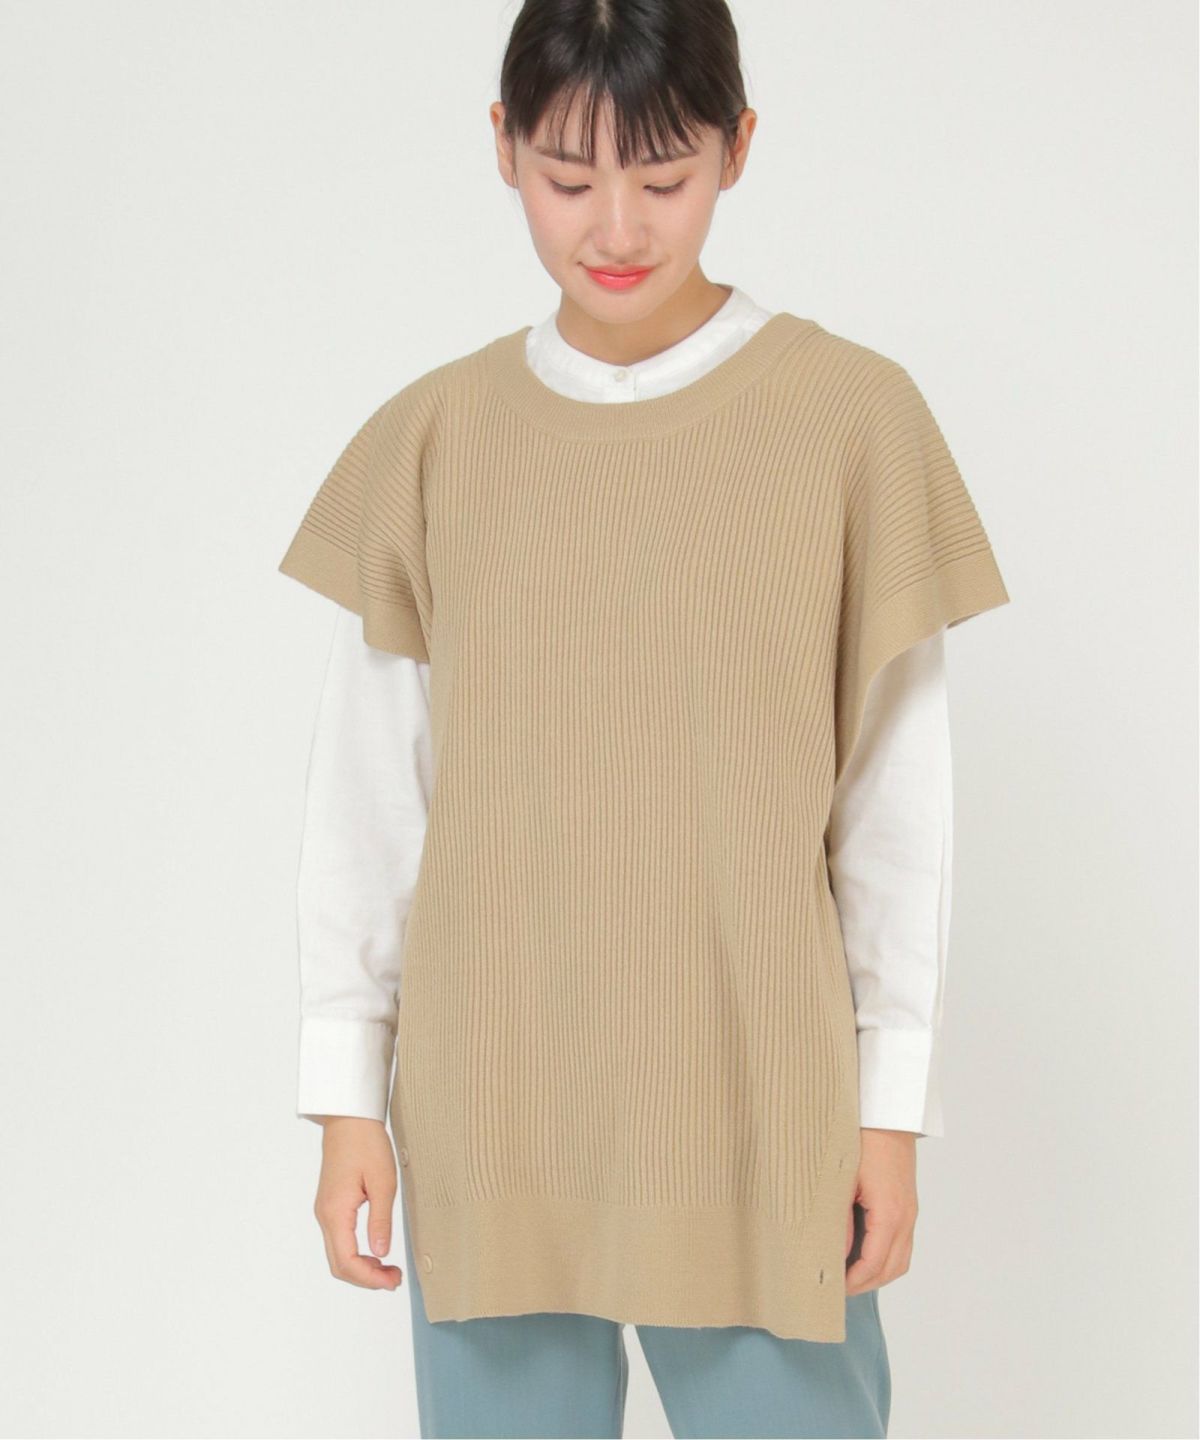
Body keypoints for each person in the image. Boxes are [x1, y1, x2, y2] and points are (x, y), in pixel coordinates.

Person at [277, 3, 1010, 1436]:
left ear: (739, 149)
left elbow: (895, 808)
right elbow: (372, 796)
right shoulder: (435, 437)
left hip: (753, 1097)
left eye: (664, 178)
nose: (615, 228)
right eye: (568, 177)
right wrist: (345, 1092)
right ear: (503, 148)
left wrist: (890, 1108)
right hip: (497, 1096)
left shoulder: (852, 422)